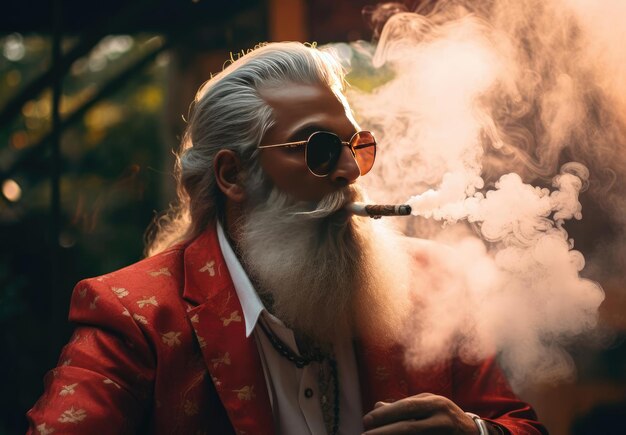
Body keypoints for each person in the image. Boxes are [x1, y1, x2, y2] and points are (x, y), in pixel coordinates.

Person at [27, 42, 546, 435]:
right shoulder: (135, 316)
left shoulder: (433, 283)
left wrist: (474, 431)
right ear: (233, 176)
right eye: (319, 148)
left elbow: (521, 424)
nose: (349, 171)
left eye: (354, 146)